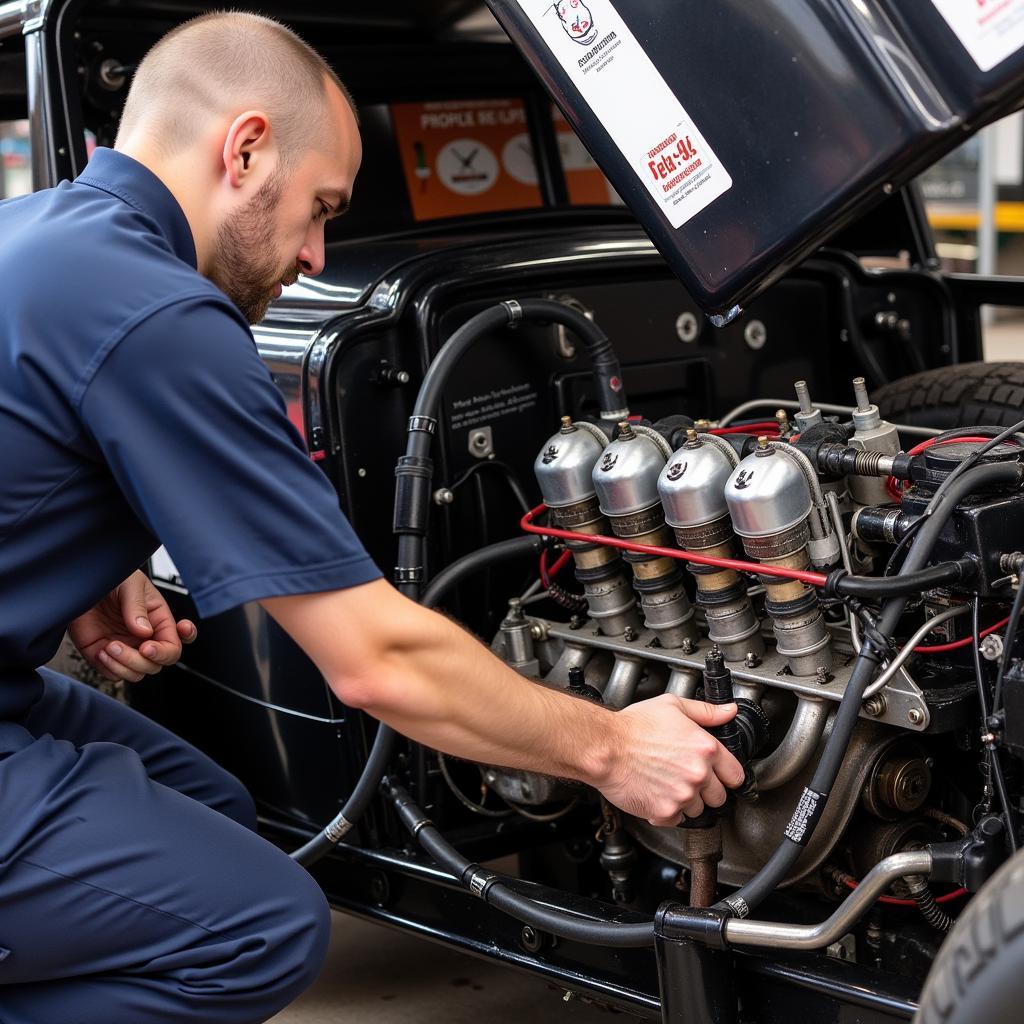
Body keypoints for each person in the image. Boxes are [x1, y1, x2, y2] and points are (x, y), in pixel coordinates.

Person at [0, 10, 743, 1023]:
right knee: (260, 929)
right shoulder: (160, 311)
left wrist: (80, 558)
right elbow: (374, 661)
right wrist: (612, 748)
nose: (314, 252)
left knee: (213, 813)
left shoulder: (40, 234)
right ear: (245, 146)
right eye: (320, 207)